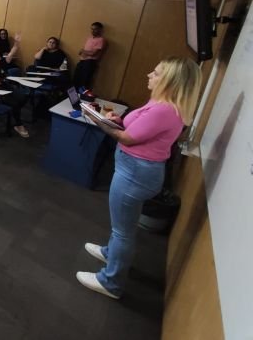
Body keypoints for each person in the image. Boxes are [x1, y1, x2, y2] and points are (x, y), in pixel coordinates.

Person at [76, 57, 201, 299]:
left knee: (123, 231)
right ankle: (111, 253)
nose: (149, 75)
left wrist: (96, 119)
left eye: (155, 73)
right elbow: (136, 129)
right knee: (123, 224)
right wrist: (118, 121)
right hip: (137, 170)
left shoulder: (164, 110)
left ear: (169, 81)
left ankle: (110, 282)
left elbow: (127, 139)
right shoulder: (162, 104)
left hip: (135, 173)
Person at [73, 22, 107, 88]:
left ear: (100, 30)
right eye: (92, 29)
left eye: (95, 29)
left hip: (89, 63)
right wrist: (83, 51)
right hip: (82, 61)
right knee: (75, 80)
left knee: (84, 82)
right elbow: (83, 51)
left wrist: (83, 51)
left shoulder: (101, 40)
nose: (93, 31)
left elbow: (93, 53)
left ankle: (82, 97)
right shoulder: (89, 38)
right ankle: (74, 97)